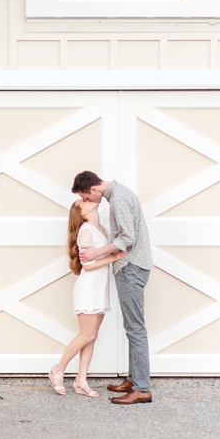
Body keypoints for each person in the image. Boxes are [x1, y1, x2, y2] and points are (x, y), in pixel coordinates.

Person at [71, 170, 154, 405]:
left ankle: (142, 388)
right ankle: (133, 379)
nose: (88, 202)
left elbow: (127, 238)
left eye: (87, 197)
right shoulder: (118, 195)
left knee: (135, 328)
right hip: (131, 266)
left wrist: (97, 251)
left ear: (95, 189)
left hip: (131, 267)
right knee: (131, 327)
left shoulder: (117, 199)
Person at [48, 195, 127, 397]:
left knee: (92, 336)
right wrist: (112, 257)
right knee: (86, 335)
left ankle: (81, 380)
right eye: (84, 201)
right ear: (82, 212)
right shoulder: (86, 231)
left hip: (99, 288)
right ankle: (58, 369)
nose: (88, 199)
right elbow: (88, 265)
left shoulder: (100, 229)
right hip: (89, 289)